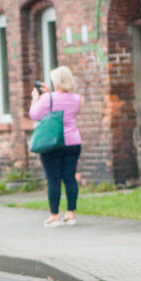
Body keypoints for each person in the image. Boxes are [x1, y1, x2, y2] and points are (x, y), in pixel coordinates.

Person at [29, 65, 83, 227]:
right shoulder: (76, 98)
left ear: (57, 81)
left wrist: (36, 99)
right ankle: (71, 214)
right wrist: (48, 95)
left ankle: (54, 216)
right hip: (72, 142)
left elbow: (34, 115)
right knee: (69, 178)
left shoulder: (47, 99)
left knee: (53, 179)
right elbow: (63, 105)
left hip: (52, 143)